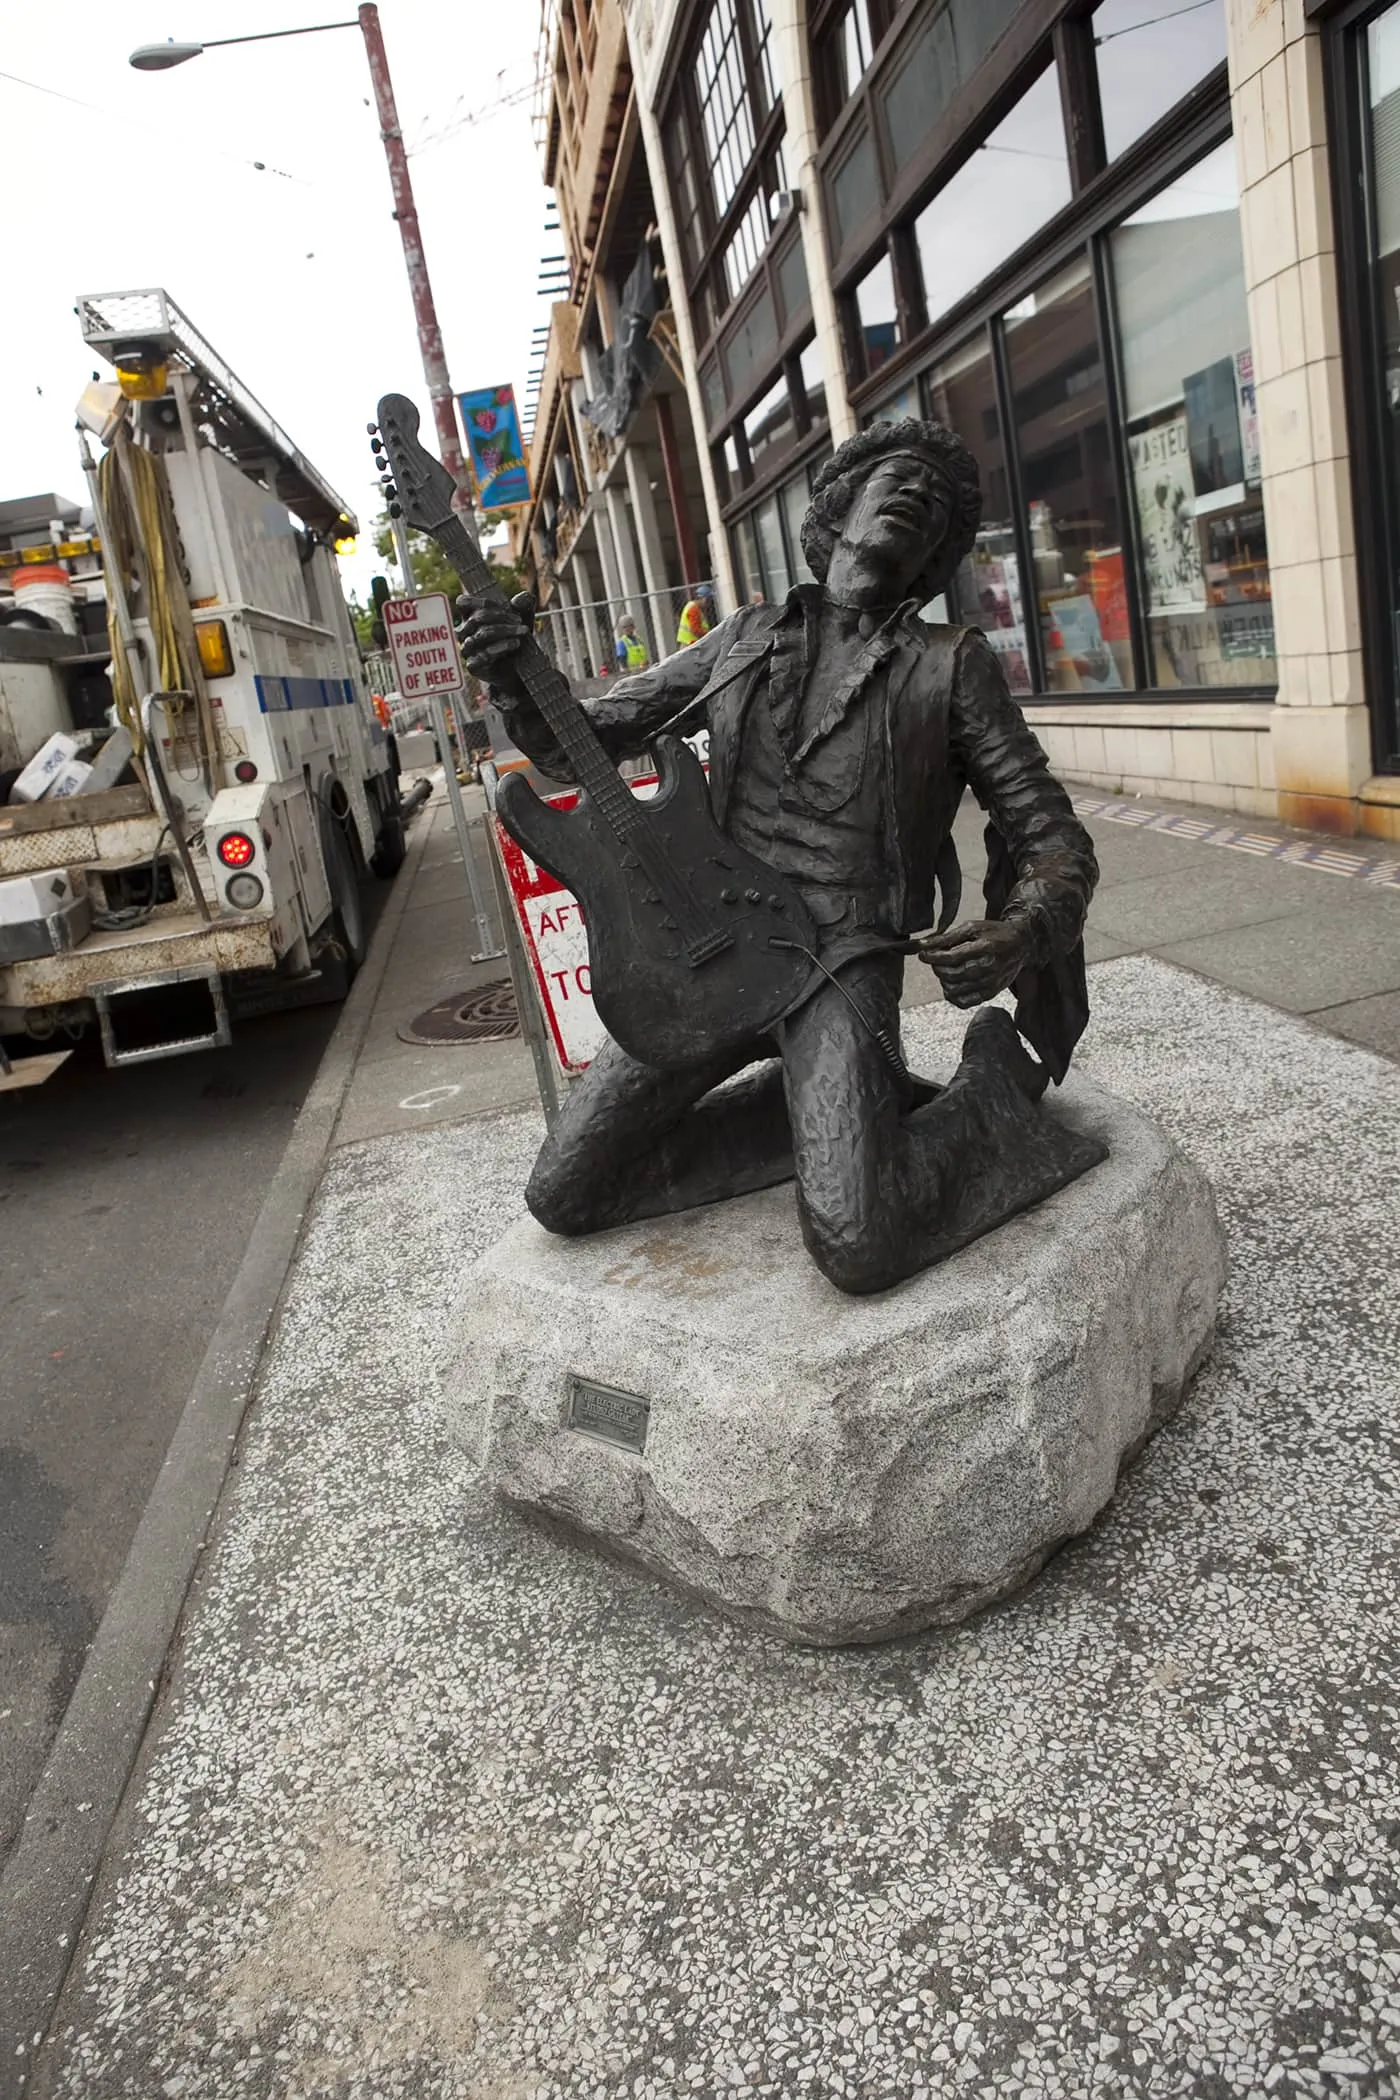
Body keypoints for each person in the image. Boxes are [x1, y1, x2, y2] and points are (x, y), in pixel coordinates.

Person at [460, 418, 1101, 1296]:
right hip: (709, 951)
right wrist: (510, 678)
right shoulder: (742, 639)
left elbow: (1052, 835)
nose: (918, 494)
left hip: (840, 962)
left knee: (858, 1245)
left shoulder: (952, 665)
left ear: (932, 558)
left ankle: (986, 1091)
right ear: (837, 514)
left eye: (938, 503)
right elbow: (586, 740)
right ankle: (807, 1115)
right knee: (566, 1192)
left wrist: (1022, 932)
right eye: (897, 477)